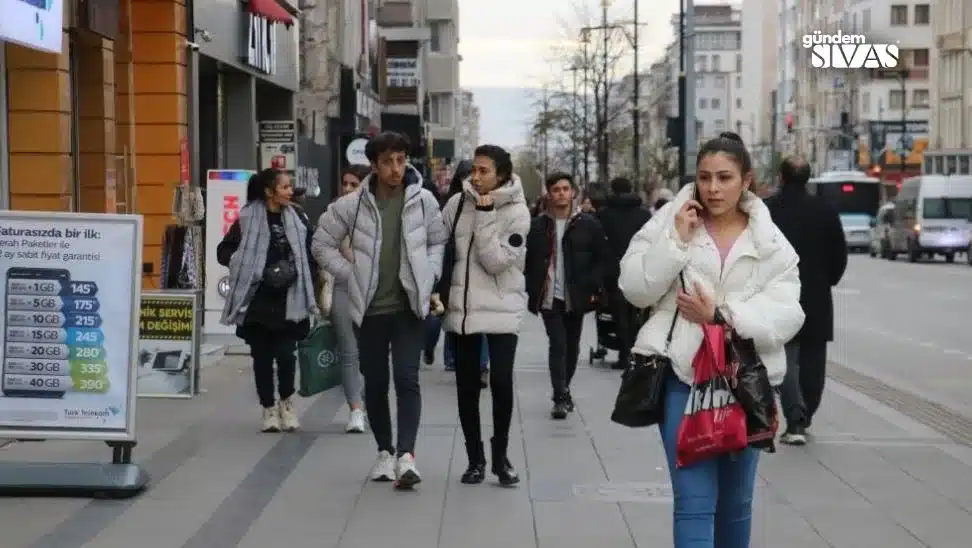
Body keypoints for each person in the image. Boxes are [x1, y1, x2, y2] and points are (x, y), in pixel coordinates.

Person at [619, 131, 804, 548]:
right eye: (705, 177)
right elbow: (635, 288)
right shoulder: (670, 220)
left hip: (746, 385)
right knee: (693, 502)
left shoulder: (770, 241)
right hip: (683, 381)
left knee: (736, 505)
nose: (713, 188)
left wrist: (720, 317)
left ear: (746, 180)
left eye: (724, 177)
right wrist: (677, 242)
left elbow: (788, 311)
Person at [312, 131, 448, 489]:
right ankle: (384, 452)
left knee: (407, 378)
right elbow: (321, 243)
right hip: (369, 309)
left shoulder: (424, 201)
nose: (395, 168)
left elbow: (437, 242)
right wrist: (348, 274)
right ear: (374, 164)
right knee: (375, 383)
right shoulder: (353, 204)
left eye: (401, 160)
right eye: (387, 161)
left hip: (408, 308)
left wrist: (431, 273)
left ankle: (407, 456)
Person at [442, 144, 530, 485]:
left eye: (484, 171)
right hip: (463, 309)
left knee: (502, 382)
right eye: (473, 170)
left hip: (501, 307)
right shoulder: (456, 203)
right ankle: (474, 459)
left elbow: (494, 261)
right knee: (466, 386)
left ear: (502, 176)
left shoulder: (518, 213)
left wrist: (486, 214)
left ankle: (500, 456)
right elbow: (439, 245)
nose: (475, 177)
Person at [218, 169, 319, 433]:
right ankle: (268, 408)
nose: (289, 191)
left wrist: (308, 278)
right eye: (285, 187)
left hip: (290, 297)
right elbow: (224, 251)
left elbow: (312, 250)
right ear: (269, 191)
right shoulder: (247, 218)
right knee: (261, 358)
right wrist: (249, 265)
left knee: (287, 355)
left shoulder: (297, 217)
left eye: (289, 187)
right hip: (258, 300)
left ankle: (286, 401)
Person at [765, 156, 847, 445]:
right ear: (808, 178)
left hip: (777, 293)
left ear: (781, 177)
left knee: (785, 356)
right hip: (816, 294)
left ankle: (795, 418)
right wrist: (826, 281)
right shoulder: (824, 210)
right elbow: (839, 255)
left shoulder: (769, 210)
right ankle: (806, 412)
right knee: (814, 358)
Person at [525, 172, 609, 419]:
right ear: (548, 194)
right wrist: (533, 287)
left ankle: (565, 388)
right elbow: (528, 261)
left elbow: (603, 258)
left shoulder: (588, 224)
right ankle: (559, 396)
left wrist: (594, 284)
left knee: (572, 347)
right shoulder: (538, 226)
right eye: (556, 189)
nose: (561, 193)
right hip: (549, 296)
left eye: (565, 188)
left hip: (577, 296)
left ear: (573, 192)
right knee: (558, 344)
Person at [424, 160, 490, 379]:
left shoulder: (488, 203)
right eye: (466, 178)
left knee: (479, 320)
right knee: (451, 316)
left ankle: (481, 366)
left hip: (480, 271)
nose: (471, 182)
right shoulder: (450, 205)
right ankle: (451, 355)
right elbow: (438, 238)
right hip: (451, 269)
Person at [324, 164, 371, 434]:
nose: (347, 189)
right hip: (343, 286)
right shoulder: (335, 213)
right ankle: (355, 410)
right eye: (345, 183)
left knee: (371, 353)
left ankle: (369, 401)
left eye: (354, 184)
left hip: (374, 291)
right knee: (348, 351)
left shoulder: (378, 213)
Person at [596, 177, 652, 369]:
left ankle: (624, 354)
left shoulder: (604, 214)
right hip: (638, 268)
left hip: (613, 271)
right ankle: (636, 353)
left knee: (619, 314)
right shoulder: (643, 215)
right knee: (636, 312)